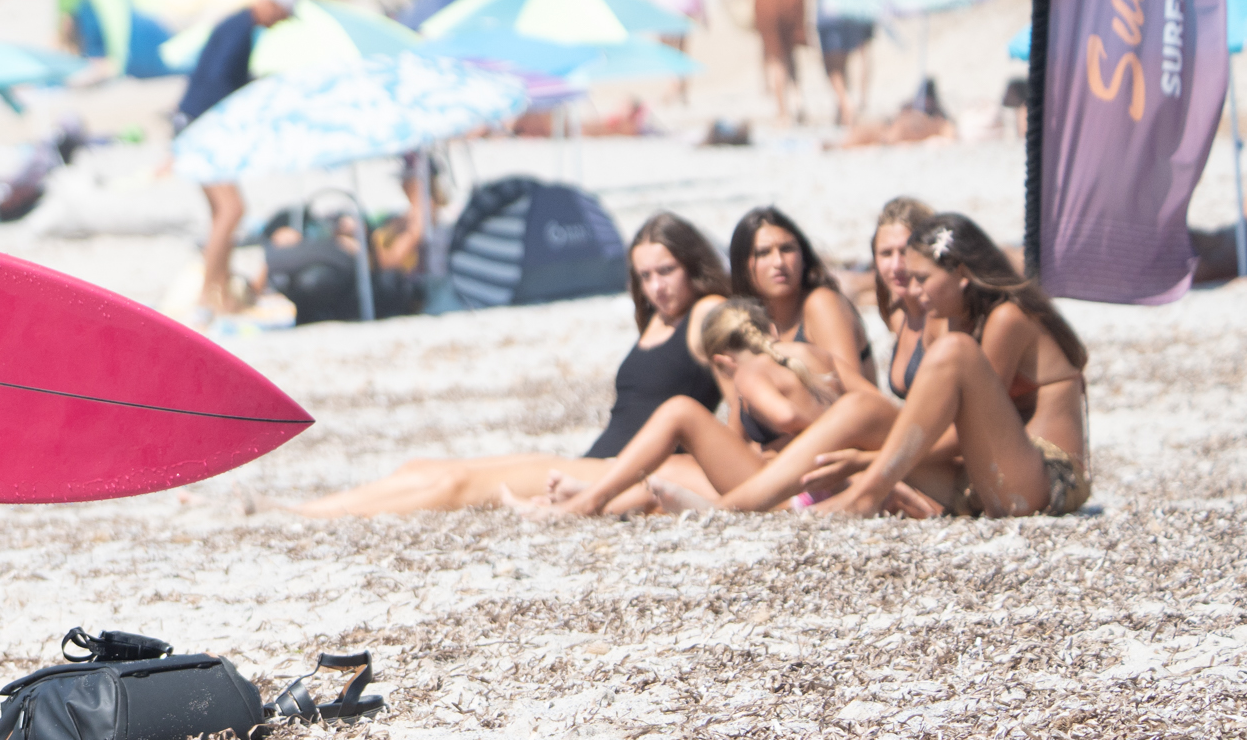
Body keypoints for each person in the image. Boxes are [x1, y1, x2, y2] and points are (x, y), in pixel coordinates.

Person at [296, 212, 728, 515]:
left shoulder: (708, 311)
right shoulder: (660, 318)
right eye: (645, 276)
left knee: (455, 486)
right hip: (594, 461)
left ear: (693, 264)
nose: (656, 287)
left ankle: (306, 514)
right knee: (423, 468)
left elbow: (746, 387)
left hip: (618, 469)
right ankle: (313, 508)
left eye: (666, 271)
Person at [812, 213, 1091, 517]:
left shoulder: (1007, 318)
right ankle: (762, 502)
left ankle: (864, 496)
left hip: (1050, 481)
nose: (914, 290)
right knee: (866, 416)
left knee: (953, 351)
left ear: (961, 274)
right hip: (999, 475)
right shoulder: (964, 321)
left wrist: (869, 462)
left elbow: (961, 434)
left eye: (922, 279)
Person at [532, 296, 840, 517]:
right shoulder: (808, 354)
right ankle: (585, 495)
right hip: (811, 482)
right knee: (666, 474)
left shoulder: (749, 374)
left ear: (721, 361)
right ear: (772, 330)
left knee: (680, 411)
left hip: (791, 490)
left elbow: (786, 417)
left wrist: (811, 438)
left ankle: (587, 500)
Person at [175, 0, 297, 317]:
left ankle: (218, 292)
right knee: (231, 211)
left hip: (195, 126)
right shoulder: (239, 29)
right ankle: (208, 295)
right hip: (200, 130)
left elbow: (222, 78)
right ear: (271, 3)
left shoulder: (240, 27)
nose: (281, 23)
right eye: (284, 15)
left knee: (222, 213)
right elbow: (216, 83)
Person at [728, 206, 873, 387]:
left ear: (803, 258)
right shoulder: (751, 324)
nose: (779, 262)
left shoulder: (821, 303)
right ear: (743, 268)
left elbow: (855, 394)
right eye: (763, 253)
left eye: (787, 249)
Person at [870, 197, 936, 400]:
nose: (896, 266)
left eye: (905, 251)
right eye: (886, 254)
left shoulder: (944, 315)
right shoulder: (897, 316)